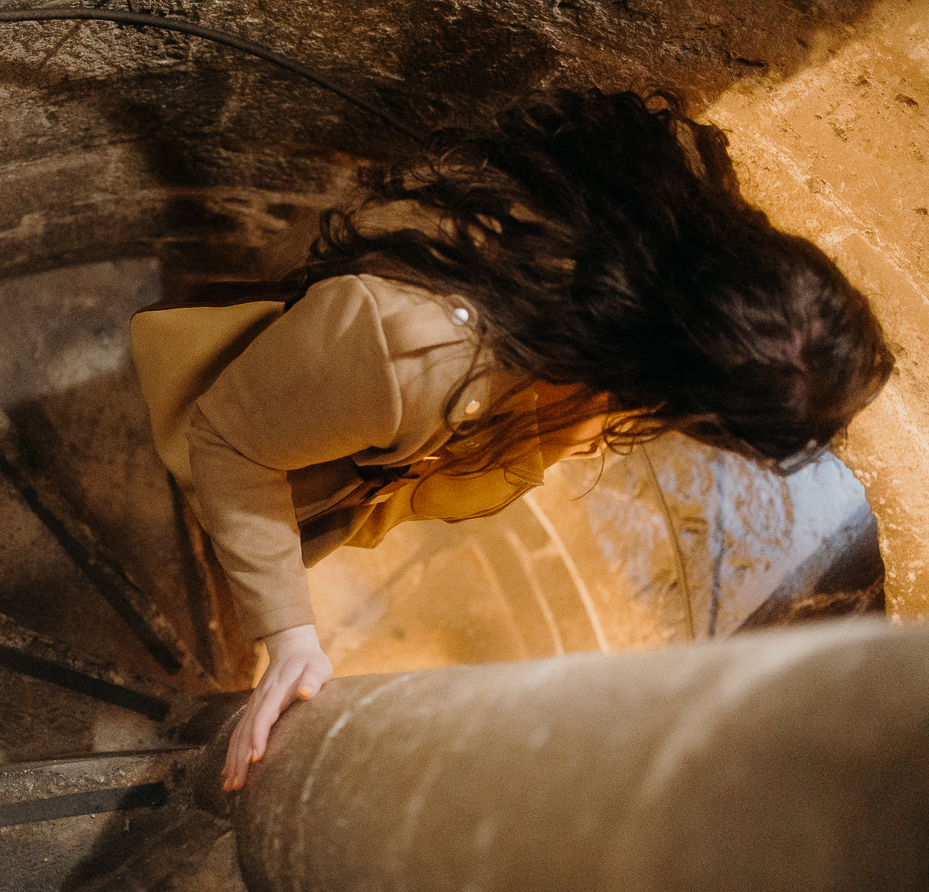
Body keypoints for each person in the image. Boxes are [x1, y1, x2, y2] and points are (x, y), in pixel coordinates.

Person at [129, 89, 894, 791]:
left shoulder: (621, 263)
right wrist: (290, 636)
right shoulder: (414, 354)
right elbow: (228, 443)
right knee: (228, 526)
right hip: (276, 437)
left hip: (343, 446)